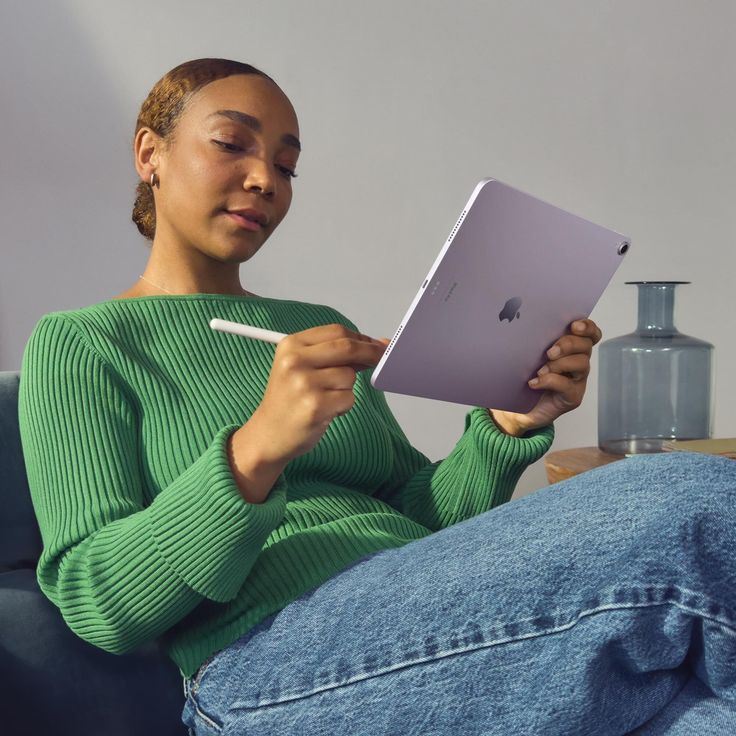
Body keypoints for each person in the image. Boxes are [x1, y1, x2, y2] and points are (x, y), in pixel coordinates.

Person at [17, 58, 736, 736]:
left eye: (287, 165)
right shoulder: (83, 343)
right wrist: (255, 450)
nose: (266, 178)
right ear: (151, 154)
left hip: (417, 606)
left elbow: (418, 518)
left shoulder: (309, 327)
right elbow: (96, 601)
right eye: (233, 143)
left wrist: (503, 428)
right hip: (266, 669)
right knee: (693, 501)